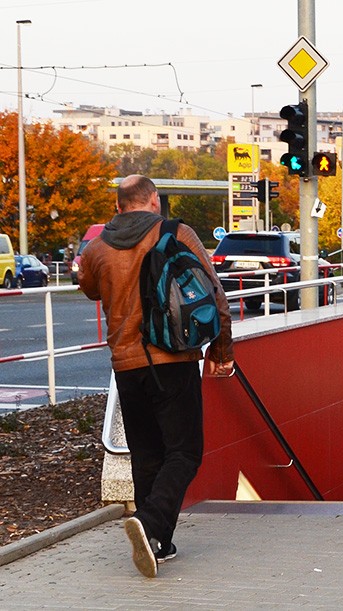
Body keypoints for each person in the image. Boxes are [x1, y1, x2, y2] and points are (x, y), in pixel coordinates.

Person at [78, 175, 234, 579]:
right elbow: (213, 292)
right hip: (173, 359)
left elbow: (89, 289)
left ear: (117, 207)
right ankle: (149, 525)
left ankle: (158, 544)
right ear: (154, 202)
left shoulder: (97, 247)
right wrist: (221, 351)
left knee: (146, 454)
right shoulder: (177, 232)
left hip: (126, 367)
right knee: (184, 452)